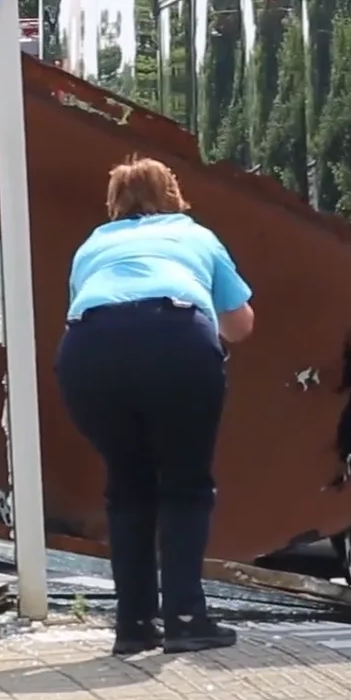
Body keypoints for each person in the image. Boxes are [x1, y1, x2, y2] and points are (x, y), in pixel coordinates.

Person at [55, 156, 256, 656]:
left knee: (128, 488)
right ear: (173, 194)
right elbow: (240, 324)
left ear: (113, 203)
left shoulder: (92, 246)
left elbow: (83, 308)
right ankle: (186, 618)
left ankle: (133, 625)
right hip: (176, 338)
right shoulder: (195, 235)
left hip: (89, 352)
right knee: (185, 485)